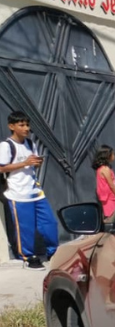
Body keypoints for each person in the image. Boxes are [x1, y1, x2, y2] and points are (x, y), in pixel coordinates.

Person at [0, 111, 55, 269]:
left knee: (49, 223)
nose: (26, 128)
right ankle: (28, 257)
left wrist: (36, 163)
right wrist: (24, 163)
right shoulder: (6, 146)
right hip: (18, 193)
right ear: (11, 126)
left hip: (35, 191)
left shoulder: (30, 143)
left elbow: (32, 163)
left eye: (27, 125)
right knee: (25, 228)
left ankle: (53, 251)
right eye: (21, 125)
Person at [94, 145, 115, 219]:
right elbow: (112, 185)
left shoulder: (103, 168)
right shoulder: (105, 169)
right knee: (113, 216)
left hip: (109, 197)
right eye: (113, 154)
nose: (114, 156)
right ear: (107, 156)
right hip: (109, 198)